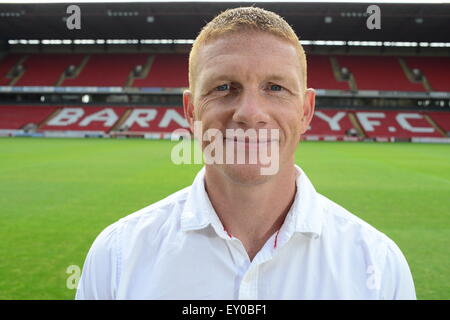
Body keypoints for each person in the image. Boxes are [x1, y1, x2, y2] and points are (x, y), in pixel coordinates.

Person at [75, 7, 416, 300]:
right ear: (191, 110)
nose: (250, 112)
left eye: (275, 88)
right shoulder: (117, 255)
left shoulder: (379, 264)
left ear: (306, 111)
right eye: (223, 88)